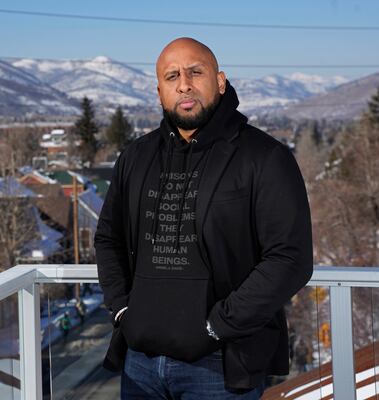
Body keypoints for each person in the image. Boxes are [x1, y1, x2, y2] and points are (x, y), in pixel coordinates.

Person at [94, 37, 313, 399]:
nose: (184, 83)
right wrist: (122, 310)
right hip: (141, 363)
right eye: (172, 76)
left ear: (220, 81)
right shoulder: (136, 157)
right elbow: (108, 239)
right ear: (159, 90)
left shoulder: (264, 157)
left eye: (196, 72)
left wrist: (217, 325)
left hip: (221, 364)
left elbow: (290, 259)